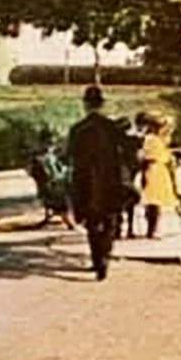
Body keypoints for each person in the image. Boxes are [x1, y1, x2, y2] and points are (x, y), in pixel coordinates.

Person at [65, 85, 131, 281]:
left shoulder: (77, 129)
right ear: (102, 105)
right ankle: (105, 255)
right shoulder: (112, 128)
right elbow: (127, 151)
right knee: (111, 218)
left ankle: (97, 259)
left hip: (85, 181)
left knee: (91, 221)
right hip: (110, 180)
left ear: (85, 105)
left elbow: (70, 155)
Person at [136, 116, 177, 239]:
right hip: (153, 170)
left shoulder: (160, 140)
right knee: (153, 202)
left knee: (156, 203)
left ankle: (154, 229)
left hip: (159, 170)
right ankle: (152, 230)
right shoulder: (151, 139)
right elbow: (145, 158)